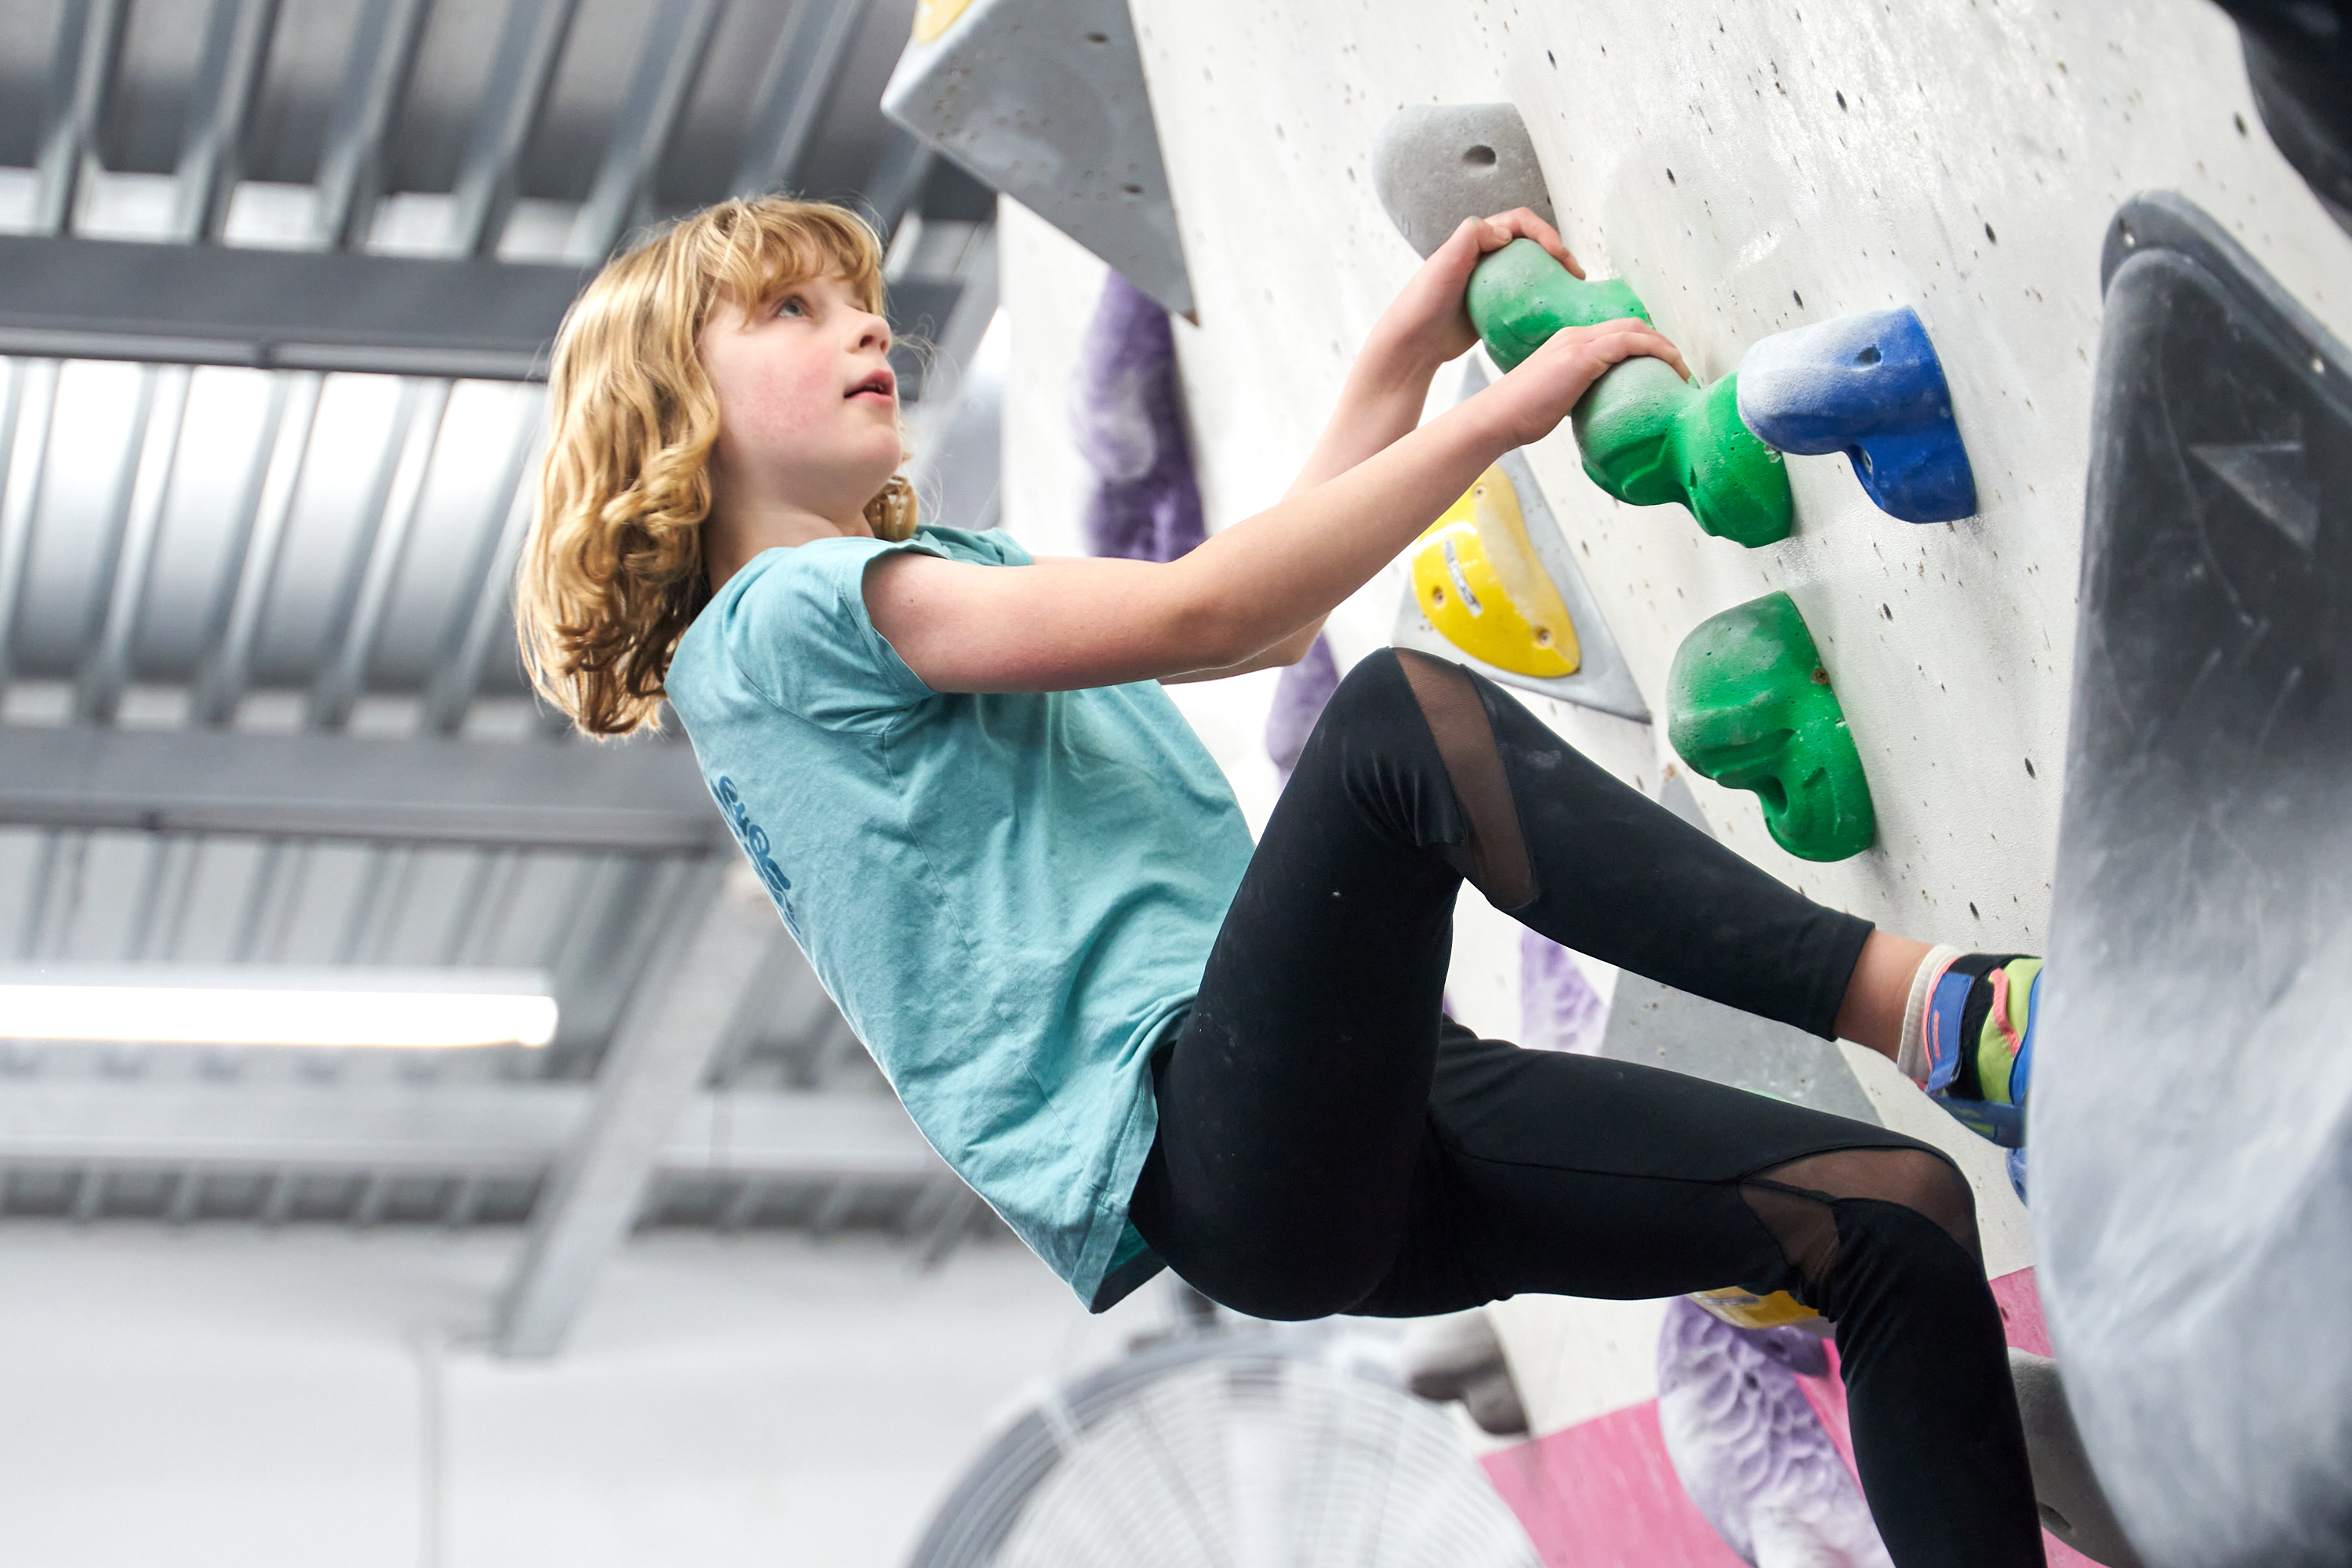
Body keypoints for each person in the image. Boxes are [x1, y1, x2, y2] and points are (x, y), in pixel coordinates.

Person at [516, 196, 2047, 1566]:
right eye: (787, 308)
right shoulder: (780, 623)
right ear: (675, 411)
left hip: (1358, 1132)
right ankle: (1939, 1016)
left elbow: (1251, 614)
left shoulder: (903, 593)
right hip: (1219, 1136)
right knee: (1394, 727)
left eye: (853, 292)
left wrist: (1401, 358)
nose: (863, 319)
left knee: (1889, 1212)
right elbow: (1208, 608)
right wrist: (1493, 416)